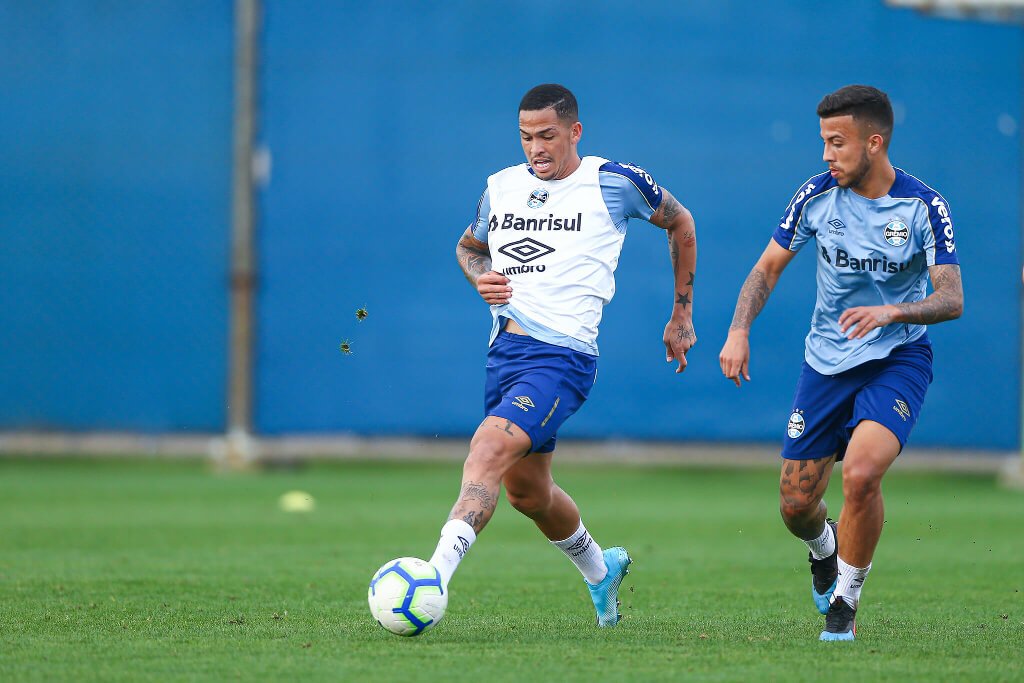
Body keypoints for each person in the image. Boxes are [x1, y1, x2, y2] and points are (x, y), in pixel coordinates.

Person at [426, 83, 697, 627]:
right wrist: (482, 278)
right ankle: (602, 570)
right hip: (505, 353)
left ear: (575, 131)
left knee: (485, 450)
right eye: (526, 137)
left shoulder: (614, 183)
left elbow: (681, 223)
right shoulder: (500, 188)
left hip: (562, 357)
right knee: (528, 492)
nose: (536, 149)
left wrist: (681, 314)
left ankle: (430, 580)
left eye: (547, 136)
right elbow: (468, 247)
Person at [719, 85, 963, 641]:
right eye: (823, 143)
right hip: (826, 363)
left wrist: (891, 311)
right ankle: (823, 548)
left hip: (897, 357)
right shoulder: (815, 196)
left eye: (837, 143)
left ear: (874, 143)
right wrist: (738, 330)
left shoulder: (924, 207)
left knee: (861, 473)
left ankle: (844, 606)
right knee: (796, 505)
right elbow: (767, 269)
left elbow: (952, 298)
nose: (827, 155)